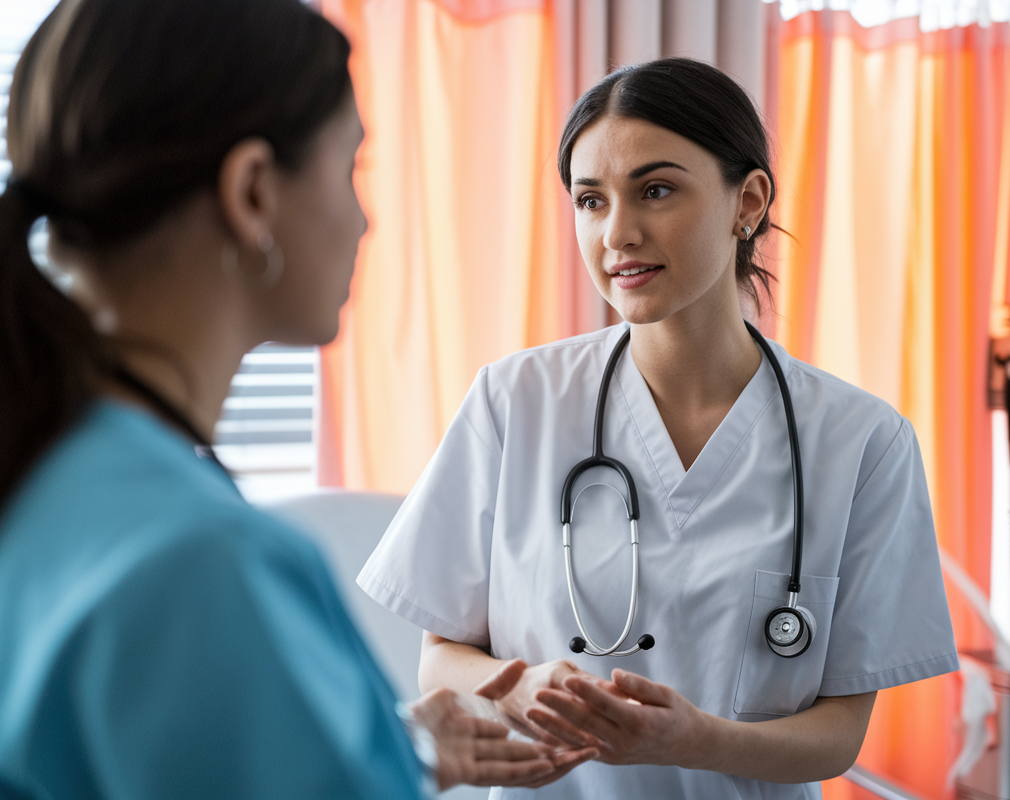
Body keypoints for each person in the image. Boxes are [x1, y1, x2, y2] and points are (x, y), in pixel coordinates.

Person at [0, 0, 596, 796]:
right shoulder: (201, 564)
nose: (364, 219)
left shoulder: (5, 465)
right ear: (251, 192)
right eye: (351, 168)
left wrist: (396, 752)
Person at [357, 58, 961, 798]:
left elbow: (837, 734)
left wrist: (694, 740)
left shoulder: (862, 442)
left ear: (749, 202)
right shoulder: (516, 400)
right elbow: (440, 656)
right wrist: (516, 689)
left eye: (656, 190)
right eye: (590, 200)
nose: (618, 233)